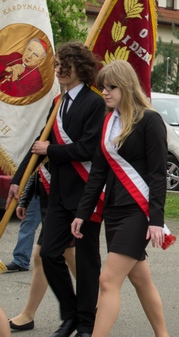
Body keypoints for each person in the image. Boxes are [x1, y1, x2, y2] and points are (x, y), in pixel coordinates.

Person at [6, 42, 103, 337]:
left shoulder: (95, 102)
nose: (59, 69)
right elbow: (40, 142)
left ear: (80, 68)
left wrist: (52, 150)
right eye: (57, 64)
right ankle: (71, 315)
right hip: (59, 195)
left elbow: (87, 148)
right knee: (48, 254)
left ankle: (86, 323)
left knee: (86, 263)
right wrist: (18, 179)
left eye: (65, 65)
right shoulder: (58, 103)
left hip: (85, 194)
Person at [71, 60, 169, 337]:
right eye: (102, 87)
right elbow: (97, 173)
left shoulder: (149, 120)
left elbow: (158, 174)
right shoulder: (109, 121)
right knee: (140, 279)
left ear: (126, 86)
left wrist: (156, 220)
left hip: (138, 211)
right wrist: (82, 213)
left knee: (108, 280)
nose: (105, 92)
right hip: (114, 209)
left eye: (111, 87)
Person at [9, 168, 77, 332]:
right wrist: (25, 199)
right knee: (47, 255)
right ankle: (28, 315)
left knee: (65, 254)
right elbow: (39, 168)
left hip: (67, 202)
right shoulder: (46, 151)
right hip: (49, 202)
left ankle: (98, 299)